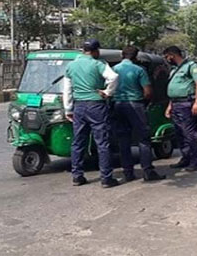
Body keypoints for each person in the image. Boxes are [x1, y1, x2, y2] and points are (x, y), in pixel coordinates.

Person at [63, 39, 120, 188]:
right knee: (102, 142)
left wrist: (68, 109)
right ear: (96, 51)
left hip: (79, 106)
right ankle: (106, 178)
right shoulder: (98, 63)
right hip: (96, 105)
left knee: (78, 142)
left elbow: (67, 90)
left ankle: (77, 176)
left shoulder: (71, 65)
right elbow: (114, 77)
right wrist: (108, 92)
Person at [112, 46, 166, 182]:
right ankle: (147, 171)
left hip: (118, 105)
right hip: (135, 105)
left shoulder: (114, 69)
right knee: (144, 139)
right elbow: (148, 92)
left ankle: (128, 172)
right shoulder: (139, 70)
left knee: (123, 139)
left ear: (122, 56)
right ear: (136, 57)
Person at [163, 46, 197, 172]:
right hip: (175, 103)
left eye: (167, 57)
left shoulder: (191, 66)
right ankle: (186, 158)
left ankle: (195, 162)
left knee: (190, 134)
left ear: (172, 55)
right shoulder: (174, 69)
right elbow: (173, 89)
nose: (166, 59)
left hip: (186, 103)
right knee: (179, 133)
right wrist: (170, 106)